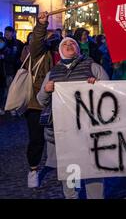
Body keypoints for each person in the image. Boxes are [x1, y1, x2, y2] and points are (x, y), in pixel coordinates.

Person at [37, 36, 109, 199]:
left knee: (92, 165)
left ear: (78, 49)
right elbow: (42, 100)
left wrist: (97, 85)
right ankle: (72, 196)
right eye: (65, 44)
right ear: (60, 51)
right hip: (65, 131)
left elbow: (109, 92)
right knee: (71, 166)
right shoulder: (53, 72)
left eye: (72, 44)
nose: (69, 45)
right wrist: (46, 90)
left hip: (89, 128)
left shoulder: (93, 67)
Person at [22, 12, 59, 188]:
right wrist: (41, 25)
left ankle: (68, 169)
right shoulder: (39, 52)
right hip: (37, 103)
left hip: (61, 104)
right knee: (36, 139)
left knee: (64, 138)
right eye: (52, 37)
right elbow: (36, 41)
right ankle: (34, 170)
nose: (58, 41)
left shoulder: (72, 58)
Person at [0, 26, 24, 114]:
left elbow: (19, 55)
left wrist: (5, 57)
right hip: (3, 69)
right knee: (5, 90)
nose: (7, 34)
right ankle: (5, 107)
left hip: (13, 69)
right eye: (5, 32)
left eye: (8, 32)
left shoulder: (17, 43)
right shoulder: (1, 41)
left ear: (13, 33)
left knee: (12, 89)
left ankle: (11, 108)